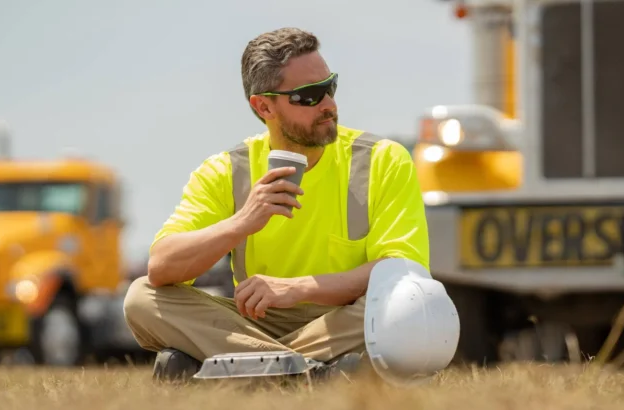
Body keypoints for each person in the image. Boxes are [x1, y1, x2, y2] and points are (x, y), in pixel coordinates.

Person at [123, 27, 430, 382]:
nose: (329, 104)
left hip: (345, 316)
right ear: (263, 106)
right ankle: (312, 375)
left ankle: (237, 370)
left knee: (408, 305)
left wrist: (297, 288)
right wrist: (242, 222)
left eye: (330, 86)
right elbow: (161, 267)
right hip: (255, 321)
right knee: (141, 298)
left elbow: (402, 271)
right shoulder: (227, 170)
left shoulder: (382, 159)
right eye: (309, 96)